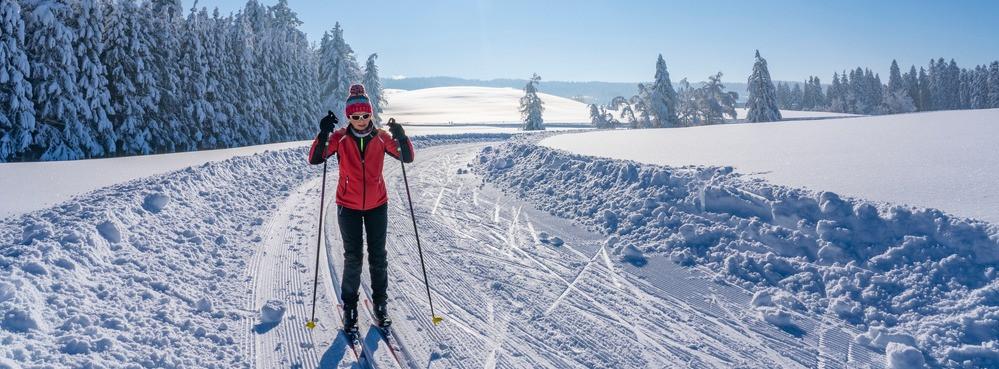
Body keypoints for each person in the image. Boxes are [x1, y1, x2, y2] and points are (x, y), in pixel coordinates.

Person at [307, 84, 414, 333]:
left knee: (378, 256)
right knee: (353, 257)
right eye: (355, 117)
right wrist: (323, 134)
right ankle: (351, 307)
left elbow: (406, 156)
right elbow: (315, 158)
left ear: (370, 114)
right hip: (348, 206)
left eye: (365, 115)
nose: (361, 120)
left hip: (377, 205)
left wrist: (401, 135)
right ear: (348, 117)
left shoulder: (381, 137)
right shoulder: (340, 137)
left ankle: (380, 305)